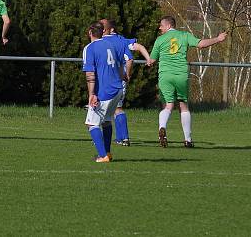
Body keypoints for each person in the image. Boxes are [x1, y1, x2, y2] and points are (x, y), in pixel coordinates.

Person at [147, 16, 226, 148]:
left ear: (168, 26)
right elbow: (201, 44)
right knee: (183, 106)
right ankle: (188, 140)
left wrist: (148, 61)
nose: (159, 28)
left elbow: (152, 60)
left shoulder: (160, 40)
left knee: (168, 105)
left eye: (161, 25)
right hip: (181, 75)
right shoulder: (184, 35)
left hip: (165, 76)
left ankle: (162, 127)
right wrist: (218, 39)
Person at [99, 18, 151, 146]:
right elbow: (136, 49)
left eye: (103, 27)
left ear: (110, 29)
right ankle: (124, 138)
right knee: (118, 108)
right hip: (119, 80)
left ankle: (101, 139)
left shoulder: (100, 41)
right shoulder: (121, 41)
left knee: (103, 109)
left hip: (106, 80)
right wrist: (148, 59)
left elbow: (130, 58)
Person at [82, 21, 126, 163]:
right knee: (106, 121)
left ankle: (103, 155)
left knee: (92, 124)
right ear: (103, 32)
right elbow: (120, 67)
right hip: (118, 88)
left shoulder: (90, 48)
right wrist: (122, 79)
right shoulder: (112, 45)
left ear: (90, 32)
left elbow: (90, 73)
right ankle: (107, 152)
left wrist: (91, 94)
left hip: (105, 92)